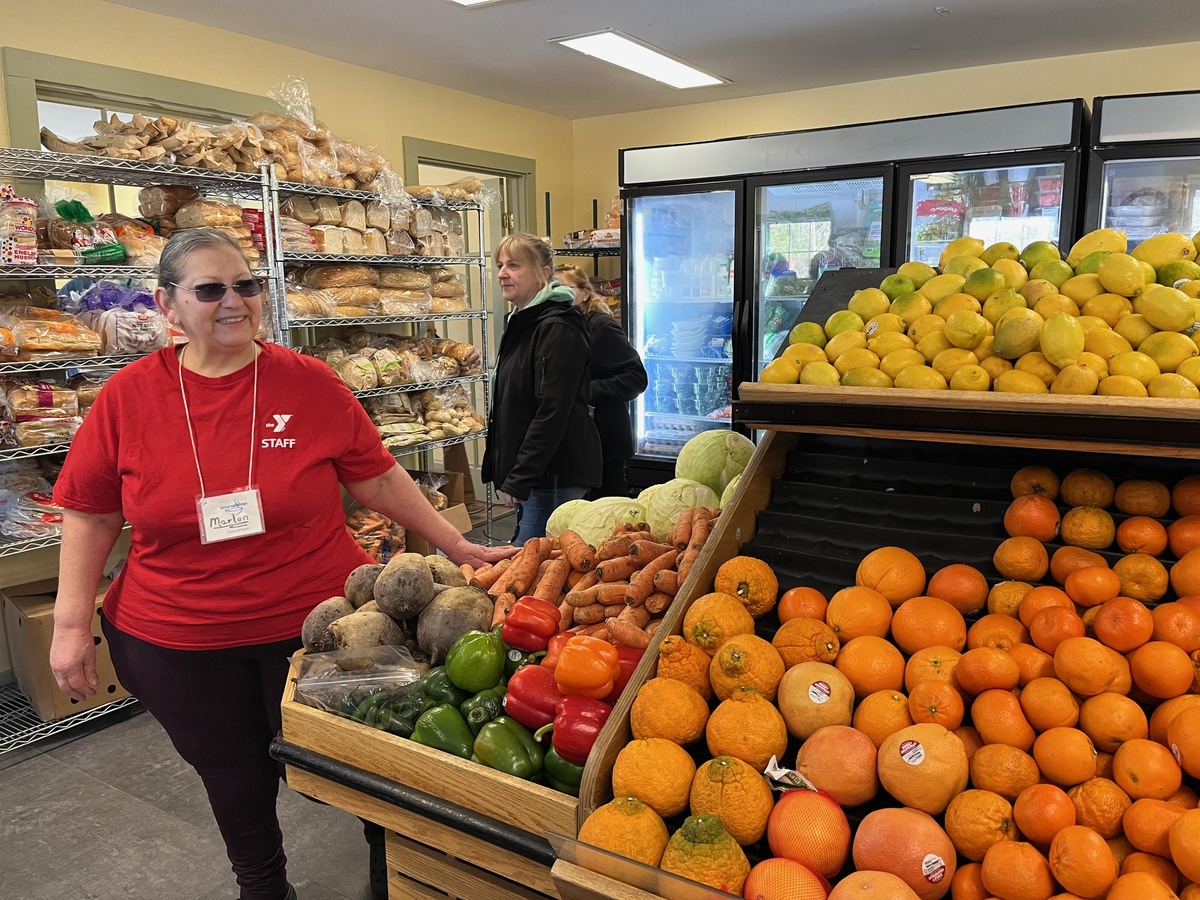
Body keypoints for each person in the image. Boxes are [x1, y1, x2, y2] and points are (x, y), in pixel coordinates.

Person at [48, 228, 515, 900]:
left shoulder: (308, 382)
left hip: (326, 632)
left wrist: (457, 544)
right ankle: (264, 888)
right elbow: (89, 513)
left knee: (360, 767)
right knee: (232, 777)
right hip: (180, 640)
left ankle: (394, 879)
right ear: (168, 306)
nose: (234, 302)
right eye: (210, 289)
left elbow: (378, 477)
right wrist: (70, 626)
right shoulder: (128, 399)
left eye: (246, 285)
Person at [482, 234, 602, 544]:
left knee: (539, 569)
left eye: (514, 265)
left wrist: (519, 478)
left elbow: (551, 412)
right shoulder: (524, 323)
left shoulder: (556, 328)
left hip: (554, 475)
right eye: (500, 265)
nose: (502, 273)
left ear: (544, 273)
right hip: (538, 475)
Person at [554, 264, 647, 498]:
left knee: (608, 515)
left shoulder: (600, 326)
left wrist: (584, 392)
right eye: (551, 289)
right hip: (574, 445)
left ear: (585, 293)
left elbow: (636, 377)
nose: (557, 295)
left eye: (565, 289)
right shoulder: (557, 328)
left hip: (605, 443)